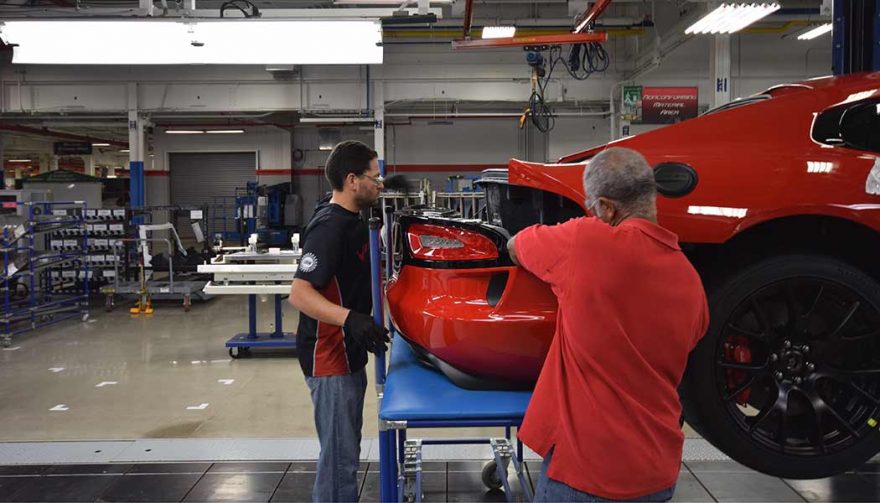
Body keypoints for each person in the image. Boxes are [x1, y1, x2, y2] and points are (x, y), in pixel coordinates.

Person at [507, 147, 709, 502]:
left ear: (607, 207)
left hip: (587, 470)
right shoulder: (691, 279)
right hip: (656, 473)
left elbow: (516, 245)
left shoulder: (585, 242)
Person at [289, 140, 390, 503]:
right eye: (375, 178)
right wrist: (352, 319)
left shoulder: (351, 217)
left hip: (348, 354)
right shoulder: (329, 228)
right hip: (328, 357)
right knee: (338, 459)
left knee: (347, 450)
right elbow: (299, 294)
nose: (380, 185)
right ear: (351, 180)